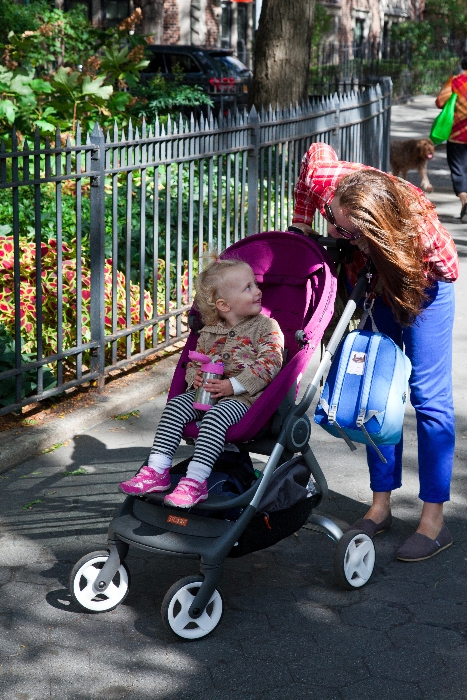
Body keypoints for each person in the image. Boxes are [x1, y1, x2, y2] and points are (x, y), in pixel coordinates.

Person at [289, 142, 458, 562]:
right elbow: (313, 165)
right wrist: (307, 228)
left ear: (376, 230)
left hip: (422, 285)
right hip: (374, 280)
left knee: (427, 397)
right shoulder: (326, 186)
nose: (333, 233)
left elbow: (448, 269)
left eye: (344, 231)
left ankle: (433, 520)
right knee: (373, 392)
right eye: (334, 220)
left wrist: (390, 262)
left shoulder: (416, 222)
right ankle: (380, 505)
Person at [119, 256, 284, 508]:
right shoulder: (208, 332)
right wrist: (194, 377)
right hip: (205, 393)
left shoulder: (266, 327)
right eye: (248, 288)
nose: (258, 291)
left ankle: (196, 482)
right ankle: (157, 471)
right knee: (174, 407)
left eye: (255, 284)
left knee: (215, 418)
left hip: (243, 399)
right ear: (224, 305)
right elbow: (196, 363)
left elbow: (271, 362)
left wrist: (234, 385)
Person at [436, 55, 467, 223]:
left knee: (459, 170)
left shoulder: (456, 81)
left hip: (458, 135)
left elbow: (440, 101)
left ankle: (465, 201)